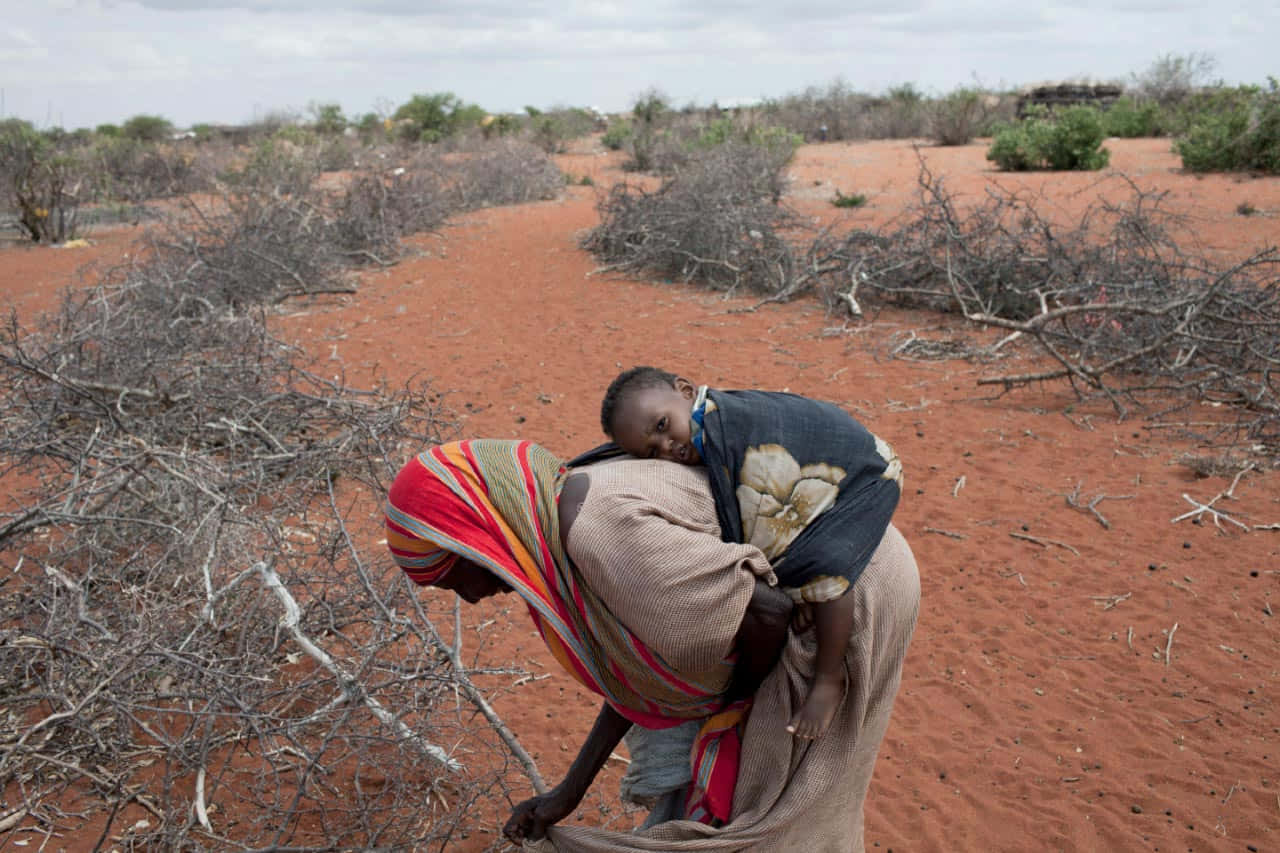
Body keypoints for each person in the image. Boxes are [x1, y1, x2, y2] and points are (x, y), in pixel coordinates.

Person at [386, 438, 919, 851]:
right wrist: (567, 793)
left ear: (476, 537)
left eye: (455, 579)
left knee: (782, 810)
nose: (471, 598)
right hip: (825, 581)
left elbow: (768, 610)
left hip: (842, 594)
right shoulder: (558, 523)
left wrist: (733, 702)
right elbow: (639, 677)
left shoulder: (595, 531)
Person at [601, 366, 903, 740]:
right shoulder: (704, 428)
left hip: (866, 472)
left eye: (663, 426)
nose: (667, 448)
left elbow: (752, 510)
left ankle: (828, 678)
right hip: (843, 458)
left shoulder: (724, 425)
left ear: (684, 390)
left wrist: (791, 586)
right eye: (652, 451)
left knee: (825, 565)